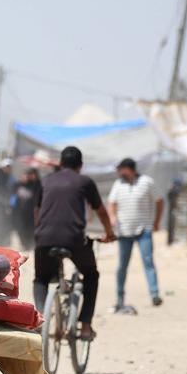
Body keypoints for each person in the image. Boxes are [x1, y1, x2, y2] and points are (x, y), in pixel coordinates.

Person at [33, 146, 115, 341]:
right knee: (91, 274)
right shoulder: (84, 181)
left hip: (44, 239)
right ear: (81, 165)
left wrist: (40, 233)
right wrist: (110, 233)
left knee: (42, 279)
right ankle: (86, 326)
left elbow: (36, 211)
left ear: (60, 163)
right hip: (74, 240)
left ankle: (39, 319)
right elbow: (101, 211)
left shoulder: (45, 181)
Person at [107, 157, 164, 310]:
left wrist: (156, 222)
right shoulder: (118, 185)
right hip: (124, 231)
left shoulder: (146, 182)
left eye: (121, 169)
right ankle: (119, 298)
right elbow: (111, 203)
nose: (119, 172)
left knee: (148, 262)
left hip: (143, 230)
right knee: (122, 266)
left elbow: (159, 201)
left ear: (129, 169)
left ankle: (154, 294)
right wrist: (113, 217)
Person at [12, 169, 41, 250]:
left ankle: (29, 245)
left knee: (30, 230)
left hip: (31, 212)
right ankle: (24, 245)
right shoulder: (17, 185)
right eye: (27, 175)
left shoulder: (37, 185)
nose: (28, 177)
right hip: (20, 212)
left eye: (30, 175)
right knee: (21, 229)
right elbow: (13, 197)